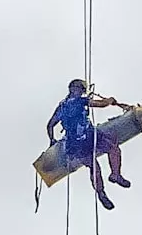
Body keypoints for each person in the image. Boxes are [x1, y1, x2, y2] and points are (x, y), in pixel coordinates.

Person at [47, 78, 131, 210]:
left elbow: (50, 125)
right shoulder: (80, 101)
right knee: (96, 163)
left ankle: (114, 176)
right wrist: (110, 100)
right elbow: (102, 104)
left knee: (111, 149)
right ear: (75, 89)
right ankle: (104, 189)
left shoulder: (62, 107)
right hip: (81, 140)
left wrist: (52, 140)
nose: (79, 92)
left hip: (81, 139)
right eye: (79, 89)